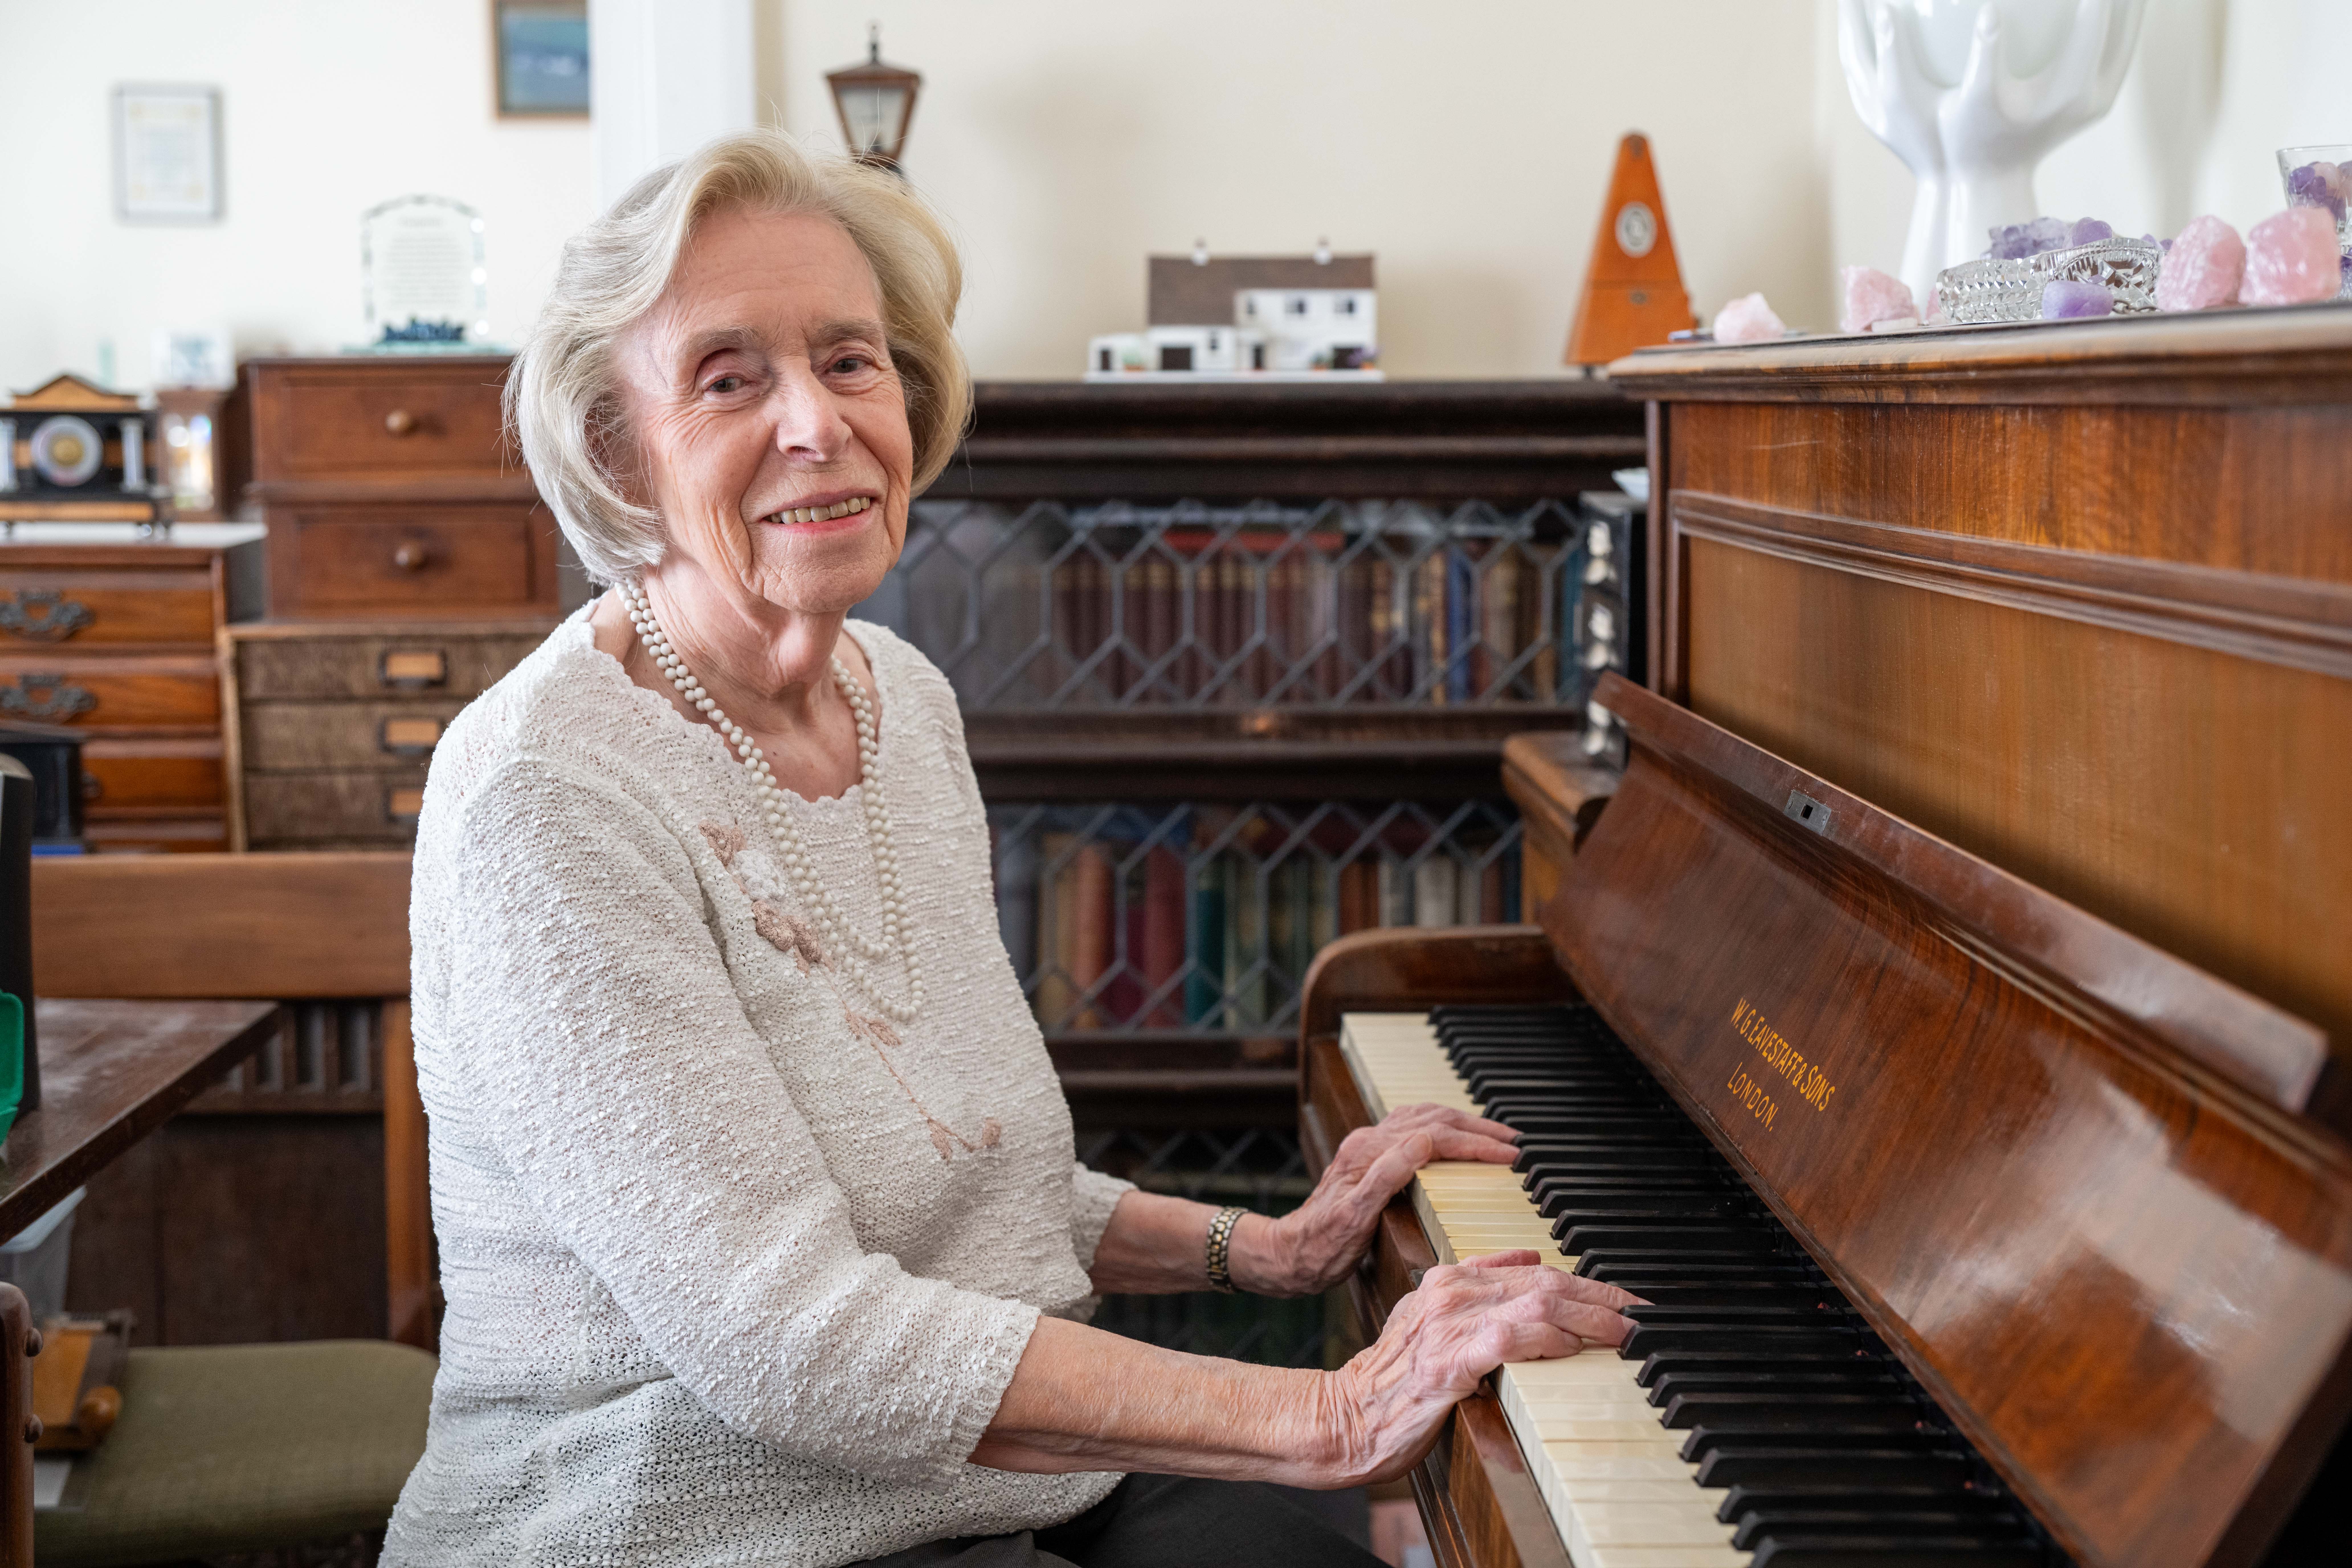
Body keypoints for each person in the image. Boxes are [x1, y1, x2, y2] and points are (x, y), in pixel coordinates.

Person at [385, 129, 1636, 1568]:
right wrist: (1329, 1411)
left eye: (851, 361)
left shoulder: (898, 698)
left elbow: (975, 1181)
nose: (818, 421)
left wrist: (1269, 1246)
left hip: (988, 1486)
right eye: (731, 378)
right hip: (675, 1520)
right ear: (617, 449)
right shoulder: (547, 793)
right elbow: (789, 1334)